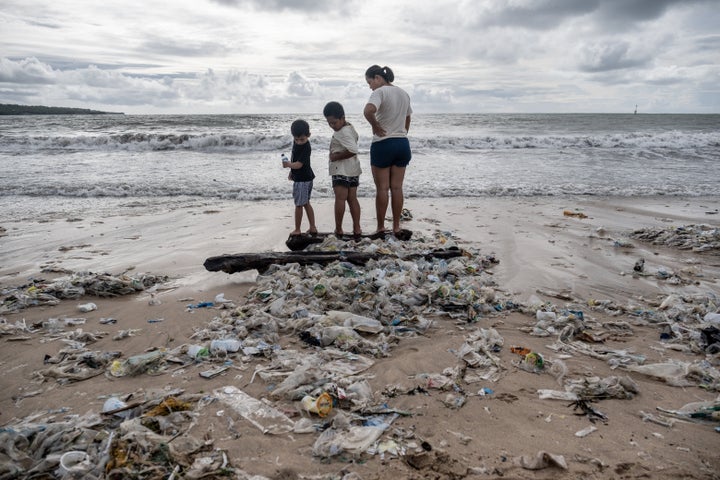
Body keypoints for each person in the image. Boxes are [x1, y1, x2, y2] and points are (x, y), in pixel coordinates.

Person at [363, 64, 412, 237]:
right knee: (397, 188)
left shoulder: (380, 92)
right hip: (402, 144)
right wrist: (403, 132)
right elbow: (408, 117)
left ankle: (381, 227)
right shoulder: (404, 93)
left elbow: (368, 111)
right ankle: (397, 226)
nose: (370, 86)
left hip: (383, 144)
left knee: (382, 189)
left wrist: (376, 126)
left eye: (370, 82)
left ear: (377, 78)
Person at [323, 101, 362, 237]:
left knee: (340, 199)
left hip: (341, 170)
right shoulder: (350, 128)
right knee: (352, 199)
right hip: (353, 169)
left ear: (342, 118)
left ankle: (339, 229)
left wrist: (335, 157)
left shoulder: (341, 133)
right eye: (329, 123)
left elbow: (353, 150)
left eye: (334, 122)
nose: (332, 126)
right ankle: (357, 228)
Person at [283, 119, 317, 236]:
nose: (299, 142)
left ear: (308, 135)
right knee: (306, 203)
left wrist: (288, 165)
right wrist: (291, 171)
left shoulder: (306, 147)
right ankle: (312, 227)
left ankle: (297, 229)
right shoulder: (296, 142)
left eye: (302, 139)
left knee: (298, 205)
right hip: (304, 177)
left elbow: (299, 164)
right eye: (296, 139)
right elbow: (294, 158)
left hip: (303, 180)